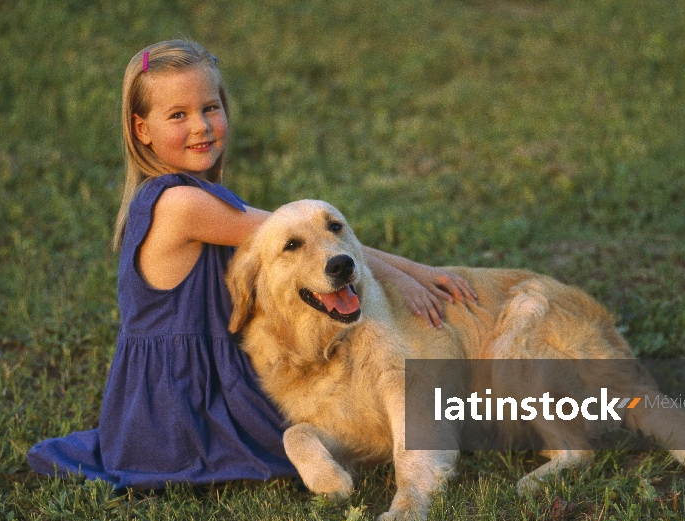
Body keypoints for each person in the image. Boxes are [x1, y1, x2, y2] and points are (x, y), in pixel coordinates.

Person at [27, 39, 476, 489]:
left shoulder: (184, 194)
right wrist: (410, 273)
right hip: (182, 401)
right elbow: (313, 239)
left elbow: (309, 242)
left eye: (210, 107)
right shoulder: (182, 204)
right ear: (142, 129)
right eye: (177, 115)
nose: (201, 126)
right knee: (326, 427)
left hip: (195, 373)